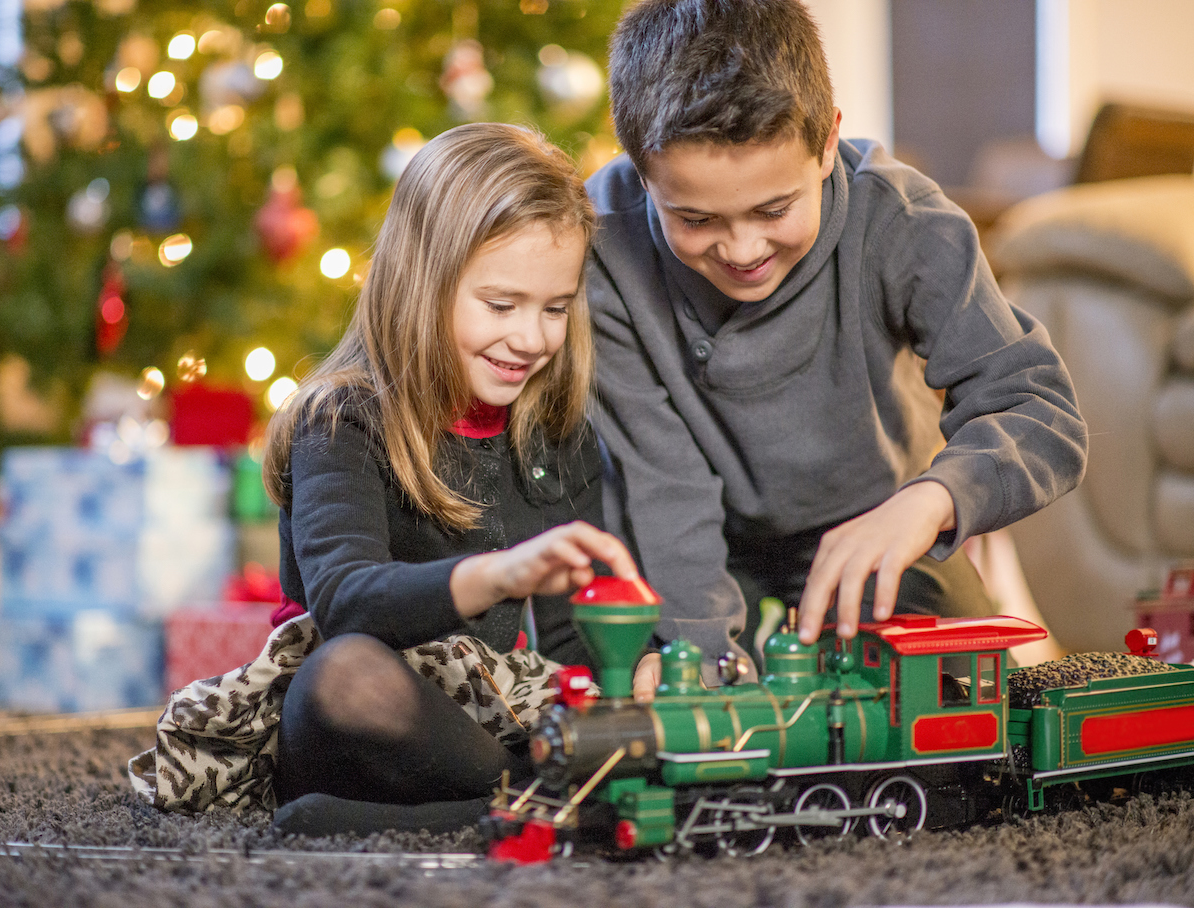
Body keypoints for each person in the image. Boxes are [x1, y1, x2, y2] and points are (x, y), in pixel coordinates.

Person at [586, 0, 1088, 683]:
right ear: (642, 174)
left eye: (773, 209)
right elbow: (663, 485)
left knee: (962, 697)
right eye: (696, 218)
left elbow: (1043, 414)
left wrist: (930, 499)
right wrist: (700, 665)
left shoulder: (905, 221)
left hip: (880, 527)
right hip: (695, 551)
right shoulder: (604, 248)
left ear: (827, 145)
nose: (741, 249)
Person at [256, 122, 640, 834]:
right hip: (364, 725)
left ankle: (457, 812)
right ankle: (544, 805)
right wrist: (499, 575)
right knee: (341, 674)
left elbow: (565, 648)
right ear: (422, 282)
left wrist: (630, 675)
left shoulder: (557, 433)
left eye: (555, 309)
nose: (532, 338)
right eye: (502, 306)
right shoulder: (341, 421)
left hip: (491, 730)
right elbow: (345, 600)